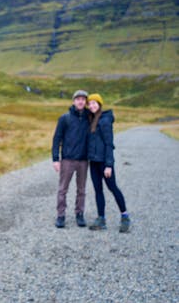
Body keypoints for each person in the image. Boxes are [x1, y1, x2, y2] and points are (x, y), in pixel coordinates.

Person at [86, 93, 130, 232]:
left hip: (104, 163)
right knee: (98, 190)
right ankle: (101, 219)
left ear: (100, 104)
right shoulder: (91, 119)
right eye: (90, 103)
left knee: (113, 188)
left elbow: (109, 144)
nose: (92, 106)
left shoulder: (104, 120)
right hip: (93, 162)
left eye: (95, 103)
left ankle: (125, 216)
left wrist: (109, 165)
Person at [52, 90, 90, 228]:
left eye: (83, 99)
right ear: (73, 101)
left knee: (81, 190)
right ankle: (60, 215)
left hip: (84, 160)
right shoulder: (65, 118)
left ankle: (79, 214)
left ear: (86, 102)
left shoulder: (89, 118)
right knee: (63, 189)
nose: (80, 101)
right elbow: (57, 139)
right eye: (78, 99)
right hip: (67, 160)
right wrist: (55, 159)